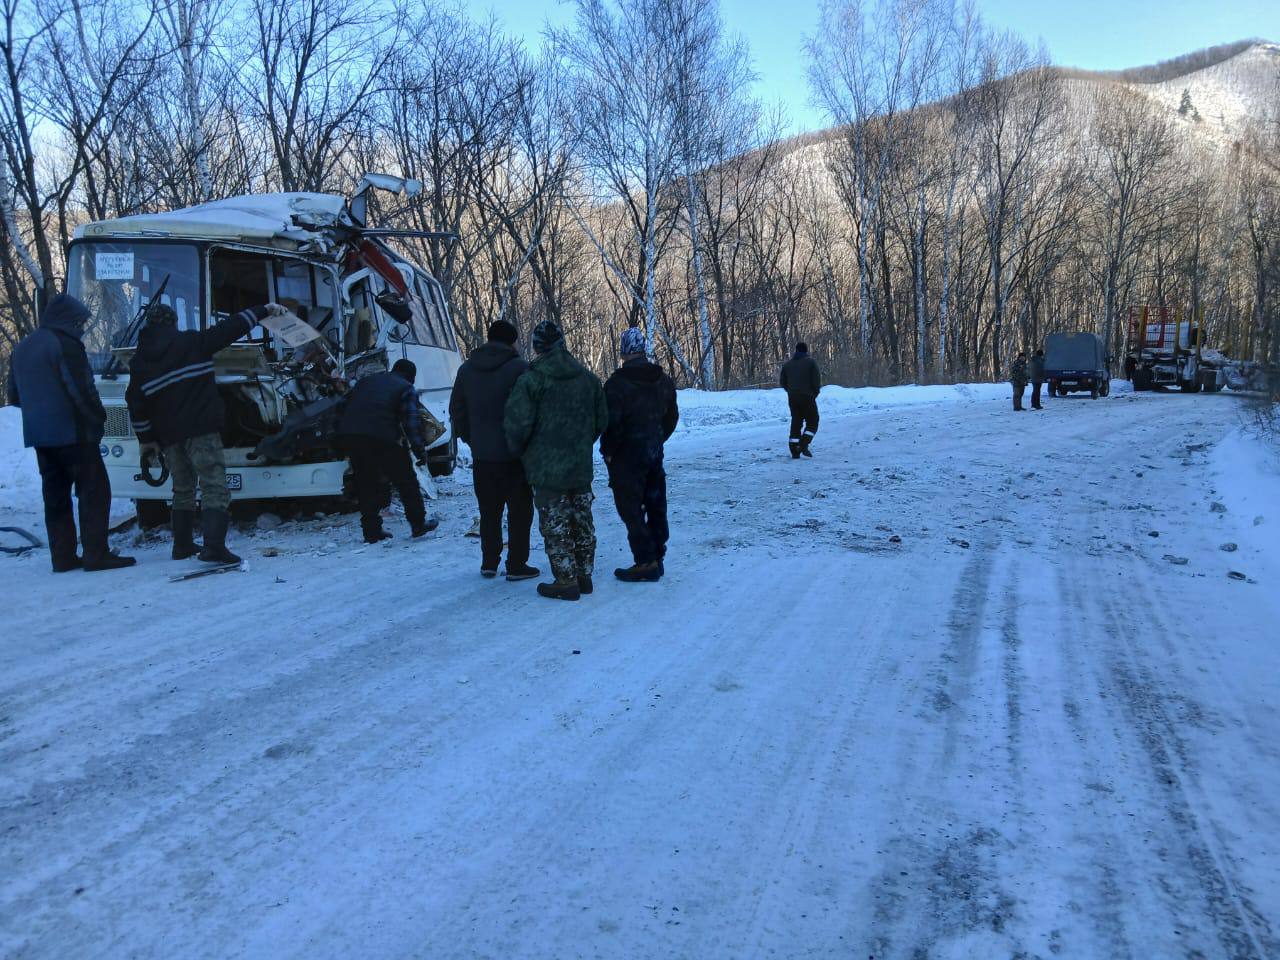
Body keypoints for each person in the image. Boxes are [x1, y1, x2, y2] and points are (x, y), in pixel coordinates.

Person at [126, 301, 282, 564]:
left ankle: (183, 545)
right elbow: (230, 328)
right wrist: (262, 310)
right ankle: (213, 547)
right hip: (200, 430)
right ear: (173, 323)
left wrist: (147, 440)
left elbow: (135, 403)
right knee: (214, 486)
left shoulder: (139, 363)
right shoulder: (190, 343)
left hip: (169, 438)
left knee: (182, 488)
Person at [7, 294, 134, 572]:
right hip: (74, 434)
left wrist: (40, 408)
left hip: (40, 437)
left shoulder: (22, 348)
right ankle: (96, 554)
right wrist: (99, 418)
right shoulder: (66, 345)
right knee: (94, 491)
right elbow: (82, 391)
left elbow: (14, 396)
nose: (81, 327)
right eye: (80, 322)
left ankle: (62, 557)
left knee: (56, 497)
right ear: (68, 319)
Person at [504, 320, 607, 602]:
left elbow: (516, 425)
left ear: (537, 347)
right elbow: (602, 420)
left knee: (556, 523)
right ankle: (584, 575)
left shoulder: (532, 380)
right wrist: (580, 443)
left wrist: (525, 452)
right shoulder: (588, 379)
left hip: (546, 468)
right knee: (582, 520)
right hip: (579, 466)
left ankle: (565, 580)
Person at [449, 320, 538, 581]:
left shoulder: (466, 370)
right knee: (520, 510)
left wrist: (473, 439)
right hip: (514, 456)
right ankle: (517, 565)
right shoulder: (520, 368)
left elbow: (457, 410)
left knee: (489, 511)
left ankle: (489, 562)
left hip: (482, 455)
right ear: (512, 341)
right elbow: (531, 410)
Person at [601, 327, 678, 583]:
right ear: (643, 349)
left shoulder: (616, 385)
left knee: (630, 509)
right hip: (653, 452)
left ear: (623, 352)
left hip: (626, 458)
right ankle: (657, 553)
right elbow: (671, 417)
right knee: (656, 503)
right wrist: (657, 438)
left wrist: (609, 452)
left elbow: (611, 424)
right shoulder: (663, 380)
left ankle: (645, 561)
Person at [335, 359, 439, 544]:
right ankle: (418, 524)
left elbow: (342, 405)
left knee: (366, 483)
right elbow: (411, 422)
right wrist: (419, 450)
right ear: (411, 377)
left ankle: (371, 531)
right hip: (382, 436)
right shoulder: (405, 387)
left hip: (353, 435)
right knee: (406, 481)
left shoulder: (366, 382)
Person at [780, 342, 821, 458]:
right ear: (806, 351)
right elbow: (816, 380)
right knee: (813, 421)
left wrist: (791, 391)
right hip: (807, 396)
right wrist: (814, 393)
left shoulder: (787, 365)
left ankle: (794, 450)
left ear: (796, 350)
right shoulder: (811, 363)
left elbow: (782, 382)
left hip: (793, 397)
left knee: (796, 422)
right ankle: (804, 444)